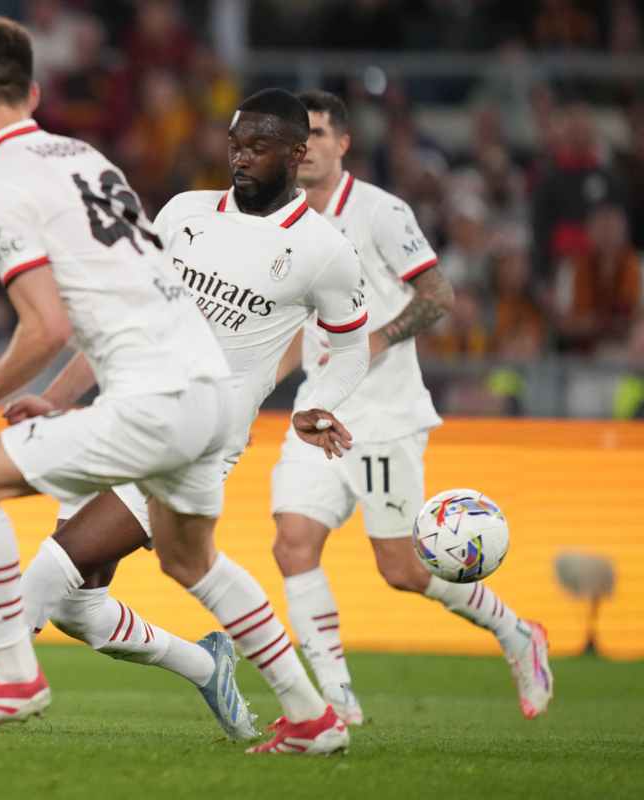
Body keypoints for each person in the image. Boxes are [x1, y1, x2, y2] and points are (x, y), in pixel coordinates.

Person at [0, 75, 369, 754]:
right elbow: (124, 320)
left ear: (295, 154)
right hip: (132, 409)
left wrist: (316, 405)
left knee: (53, 566)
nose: (241, 156)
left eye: (258, 146)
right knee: (105, 597)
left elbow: (350, 345)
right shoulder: (185, 214)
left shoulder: (324, 251)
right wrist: (57, 397)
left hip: (197, 435)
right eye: (235, 142)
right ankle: (231, 677)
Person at [268, 90, 552, 722]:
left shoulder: (380, 212)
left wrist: (379, 338)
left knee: (400, 567)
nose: (306, 146)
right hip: (319, 411)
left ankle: (515, 631)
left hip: (384, 416)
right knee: (292, 543)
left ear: (344, 143)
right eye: (297, 136)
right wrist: (253, 388)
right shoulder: (283, 221)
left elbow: (438, 294)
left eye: (318, 133)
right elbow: (295, 328)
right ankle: (337, 699)